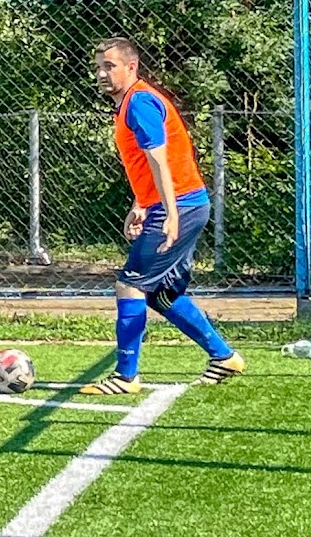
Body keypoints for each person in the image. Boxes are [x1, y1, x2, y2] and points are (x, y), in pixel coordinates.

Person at [80, 37, 246, 395]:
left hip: (181, 206)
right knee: (161, 293)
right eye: (99, 67)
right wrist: (141, 203)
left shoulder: (139, 102)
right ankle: (224, 357)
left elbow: (160, 159)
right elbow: (148, 167)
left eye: (109, 66)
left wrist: (169, 213)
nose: (102, 74)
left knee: (131, 283)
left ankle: (126, 377)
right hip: (180, 204)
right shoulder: (128, 105)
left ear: (131, 68)